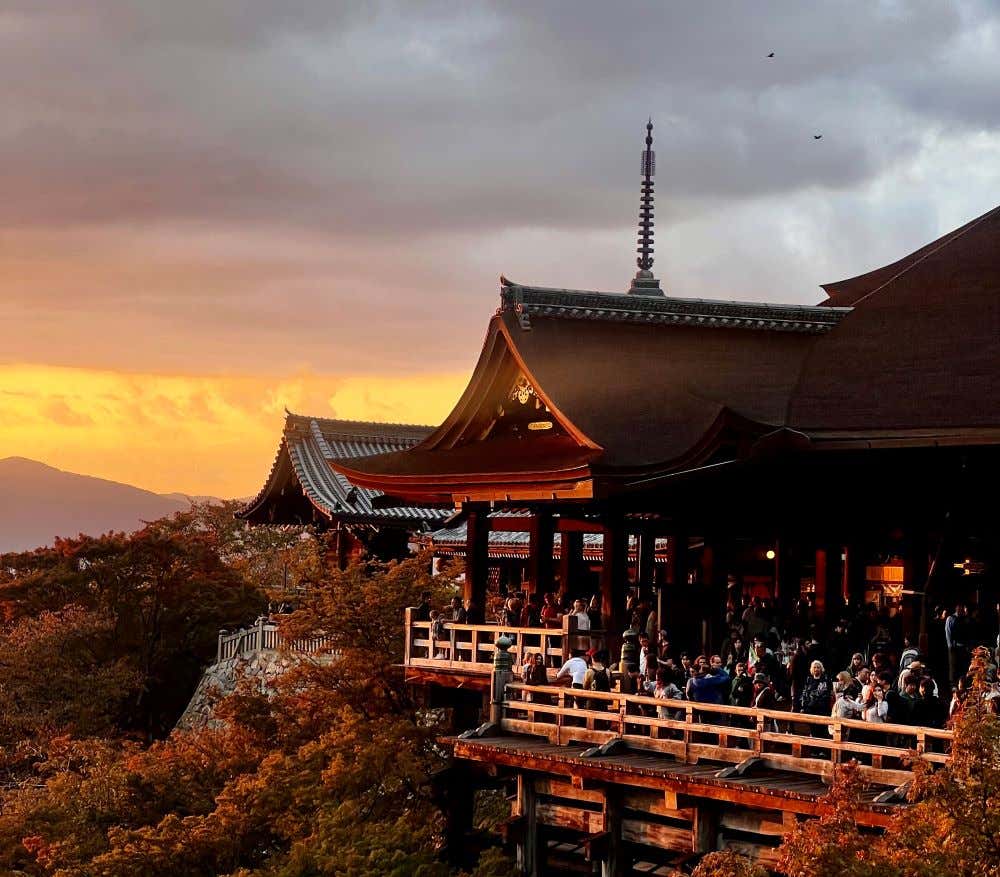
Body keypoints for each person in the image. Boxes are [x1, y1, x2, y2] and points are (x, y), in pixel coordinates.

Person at [945, 604, 971, 683]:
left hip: (964, 647)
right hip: (954, 647)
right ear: (958, 609)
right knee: (954, 668)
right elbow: (948, 633)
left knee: (963, 668)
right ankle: (953, 684)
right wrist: (950, 646)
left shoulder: (965, 619)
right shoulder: (951, 618)